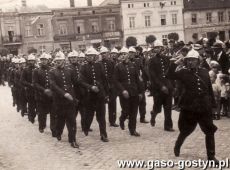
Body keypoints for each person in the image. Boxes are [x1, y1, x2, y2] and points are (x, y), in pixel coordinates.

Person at [167, 49, 219, 163]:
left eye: (193, 60)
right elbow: (169, 75)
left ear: (198, 61)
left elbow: (209, 89)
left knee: (209, 130)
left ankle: (211, 156)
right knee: (186, 130)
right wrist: (174, 63)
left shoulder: (205, 72)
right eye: (188, 60)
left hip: (204, 107)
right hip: (190, 107)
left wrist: (213, 105)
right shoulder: (183, 72)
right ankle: (178, 145)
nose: (190, 62)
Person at [49, 51, 79, 148]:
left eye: (60, 61)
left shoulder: (70, 70)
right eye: (57, 61)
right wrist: (64, 94)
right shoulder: (52, 72)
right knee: (60, 120)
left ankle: (72, 140)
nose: (58, 62)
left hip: (70, 100)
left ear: (64, 61)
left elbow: (76, 83)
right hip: (59, 100)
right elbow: (53, 85)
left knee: (72, 120)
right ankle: (58, 132)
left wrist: (76, 97)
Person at [79, 47, 109, 142]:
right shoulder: (83, 67)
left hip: (100, 95)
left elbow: (104, 80)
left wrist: (106, 94)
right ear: (86, 57)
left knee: (101, 116)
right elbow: (81, 81)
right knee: (89, 115)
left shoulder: (99, 66)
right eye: (88, 56)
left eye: (92, 56)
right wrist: (90, 87)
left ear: (95, 56)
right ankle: (86, 127)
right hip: (89, 96)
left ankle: (103, 134)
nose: (90, 57)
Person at [114, 47, 144, 136]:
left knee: (134, 112)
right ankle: (122, 119)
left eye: (125, 54)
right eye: (122, 54)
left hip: (134, 92)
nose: (124, 56)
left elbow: (138, 79)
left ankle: (132, 129)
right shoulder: (117, 66)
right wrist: (123, 90)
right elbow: (116, 80)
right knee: (126, 111)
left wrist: (140, 92)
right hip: (124, 93)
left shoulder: (133, 65)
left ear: (128, 55)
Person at [148, 40, 174, 132]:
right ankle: (153, 114)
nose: (157, 49)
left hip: (168, 86)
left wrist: (170, 85)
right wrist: (161, 86)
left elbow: (169, 72)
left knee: (168, 107)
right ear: (154, 49)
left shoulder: (166, 58)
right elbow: (153, 76)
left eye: (159, 47)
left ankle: (168, 126)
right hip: (158, 88)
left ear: (161, 48)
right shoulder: (151, 60)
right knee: (158, 108)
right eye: (156, 48)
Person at [33, 53, 56, 136]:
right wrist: (44, 90)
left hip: (51, 96)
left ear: (48, 60)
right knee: (42, 114)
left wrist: (52, 91)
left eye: (45, 60)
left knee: (53, 113)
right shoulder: (36, 71)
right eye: (42, 60)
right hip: (41, 96)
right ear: (40, 61)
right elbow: (35, 83)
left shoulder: (52, 70)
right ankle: (41, 126)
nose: (43, 61)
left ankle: (54, 129)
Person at [99, 46, 119, 127]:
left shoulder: (112, 63)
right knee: (101, 105)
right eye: (102, 53)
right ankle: (101, 121)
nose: (104, 55)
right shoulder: (98, 64)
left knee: (112, 104)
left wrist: (113, 85)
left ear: (108, 54)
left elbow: (115, 75)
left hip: (111, 87)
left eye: (105, 53)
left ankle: (112, 121)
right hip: (103, 87)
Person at [21, 54, 37, 123]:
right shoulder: (25, 70)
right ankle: (31, 116)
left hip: (37, 90)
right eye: (30, 61)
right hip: (29, 90)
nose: (31, 62)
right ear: (28, 61)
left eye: (32, 61)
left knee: (37, 104)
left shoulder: (37, 69)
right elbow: (22, 80)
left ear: (34, 61)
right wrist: (29, 84)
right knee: (31, 104)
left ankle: (34, 114)